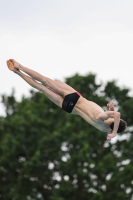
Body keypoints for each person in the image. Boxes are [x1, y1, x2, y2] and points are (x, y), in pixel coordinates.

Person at [6, 59, 127, 141]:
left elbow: (116, 115)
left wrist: (115, 130)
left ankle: (20, 66)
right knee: (41, 88)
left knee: (46, 81)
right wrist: (113, 127)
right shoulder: (103, 128)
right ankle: (17, 72)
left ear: (114, 123)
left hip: (76, 98)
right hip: (69, 108)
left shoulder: (102, 116)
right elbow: (112, 120)